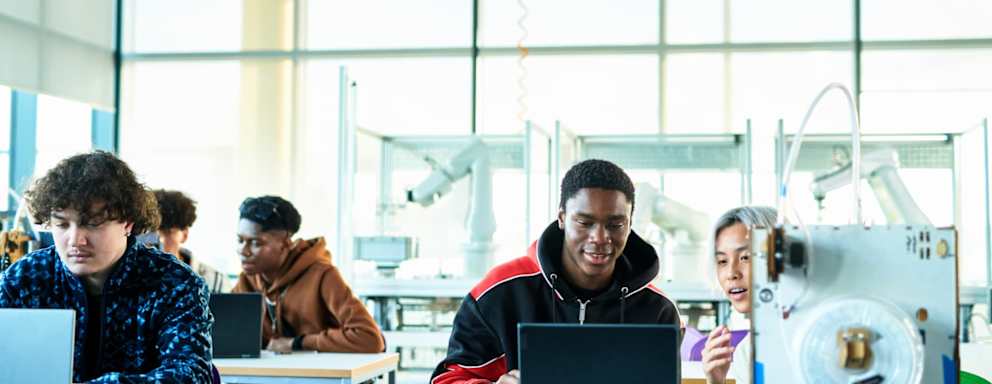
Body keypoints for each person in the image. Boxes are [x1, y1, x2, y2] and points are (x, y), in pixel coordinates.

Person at [431, 159, 682, 384]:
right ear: (562, 217)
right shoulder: (499, 293)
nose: (600, 237)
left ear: (629, 224)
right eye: (584, 222)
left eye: (615, 224)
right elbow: (448, 379)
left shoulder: (657, 311)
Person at [0, 151, 213, 383]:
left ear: (128, 223)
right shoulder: (26, 278)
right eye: (61, 224)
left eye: (92, 224)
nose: (75, 240)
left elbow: (191, 374)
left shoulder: (174, 283)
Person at [231, 195, 384, 353]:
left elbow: (370, 338)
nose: (243, 251)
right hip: (273, 374)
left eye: (256, 243)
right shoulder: (247, 280)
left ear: (286, 244)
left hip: (324, 374)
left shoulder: (323, 276)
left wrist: (297, 343)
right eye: (240, 240)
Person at [701, 206, 776, 384]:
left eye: (745, 257)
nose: (731, 273)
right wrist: (717, 382)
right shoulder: (746, 352)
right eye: (722, 261)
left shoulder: (820, 335)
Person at [152, 189, 229, 292]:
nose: (159, 240)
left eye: (168, 233)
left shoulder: (214, 282)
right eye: (151, 233)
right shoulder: (131, 278)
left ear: (184, 235)